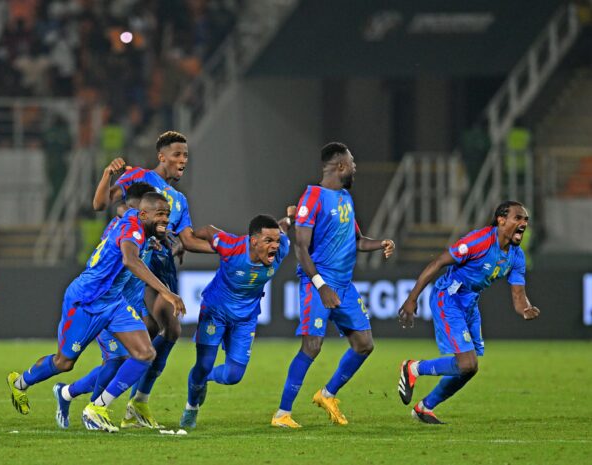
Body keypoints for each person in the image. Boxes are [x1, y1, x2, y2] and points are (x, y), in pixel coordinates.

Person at [7, 192, 186, 433]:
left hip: (114, 303)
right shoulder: (132, 230)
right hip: (86, 301)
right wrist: (167, 293)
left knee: (144, 353)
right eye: (160, 214)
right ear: (144, 214)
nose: (166, 219)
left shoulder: (136, 220)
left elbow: (124, 210)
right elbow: (130, 261)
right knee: (64, 362)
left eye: (167, 214)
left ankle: (96, 409)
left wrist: (156, 236)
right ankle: (20, 382)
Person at [93, 130, 213, 429]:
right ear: (162, 156)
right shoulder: (138, 176)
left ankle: (134, 401)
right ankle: (98, 400)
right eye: (177, 154)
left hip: (164, 265)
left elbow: (185, 238)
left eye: (185, 155)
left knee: (166, 331)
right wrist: (108, 174)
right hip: (139, 262)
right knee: (152, 333)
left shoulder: (181, 200)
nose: (182, 159)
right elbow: (105, 204)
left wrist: (230, 249)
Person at [272, 142, 395, 428]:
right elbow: (301, 248)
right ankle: (282, 414)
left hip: (344, 285)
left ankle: (326, 394)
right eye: (352, 163)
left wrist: (381, 244)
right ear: (340, 166)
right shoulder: (312, 196)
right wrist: (321, 285)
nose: (355, 168)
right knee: (312, 345)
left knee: (364, 344)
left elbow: (357, 241)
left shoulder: (345, 199)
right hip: (318, 283)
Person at [397, 201, 539, 424]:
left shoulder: (516, 256)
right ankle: (413, 367)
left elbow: (519, 296)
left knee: (469, 369)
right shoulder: (479, 241)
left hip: (470, 303)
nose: (524, 223)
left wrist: (526, 309)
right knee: (466, 363)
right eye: (518, 218)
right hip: (449, 298)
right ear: (501, 220)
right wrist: (412, 299)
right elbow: (439, 263)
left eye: (526, 220)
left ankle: (424, 407)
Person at [52, 181, 159, 429]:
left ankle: (69, 394)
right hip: (106, 304)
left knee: (125, 361)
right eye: (155, 209)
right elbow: (124, 258)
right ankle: (95, 411)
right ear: (138, 208)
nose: (160, 215)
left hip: (127, 306)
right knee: (116, 362)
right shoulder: (122, 229)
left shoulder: (147, 233)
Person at [180, 211, 293, 428]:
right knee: (203, 364)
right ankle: (191, 407)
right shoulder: (232, 246)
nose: (275, 246)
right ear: (253, 241)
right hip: (215, 311)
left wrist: (288, 220)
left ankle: (205, 378)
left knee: (233, 375)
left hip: (246, 318)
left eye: (276, 241)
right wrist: (189, 239)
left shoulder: (282, 249)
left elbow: (283, 230)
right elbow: (210, 231)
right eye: (268, 241)